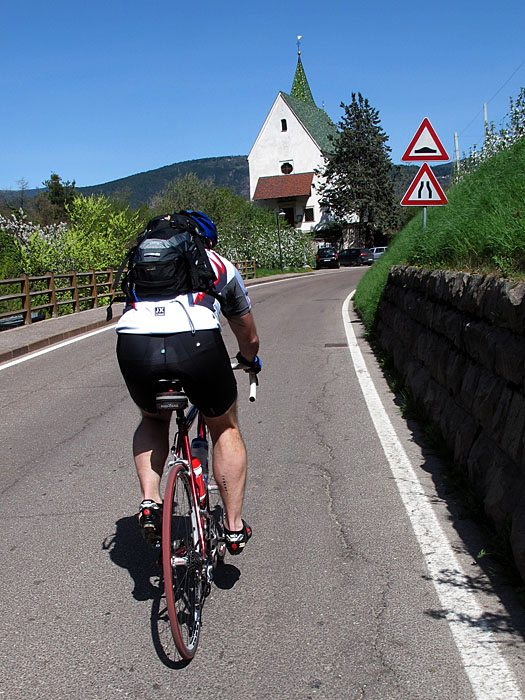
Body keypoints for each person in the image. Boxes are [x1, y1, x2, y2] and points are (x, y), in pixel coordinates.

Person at [115, 211, 260, 555]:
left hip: (135, 346)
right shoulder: (217, 263)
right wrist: (249, 358)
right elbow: (246, 331)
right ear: (203, 240)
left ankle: (150, 501)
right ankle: (234, 528)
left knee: (152, 419)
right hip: (196, 344)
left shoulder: (140, 266)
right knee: (223, 428)